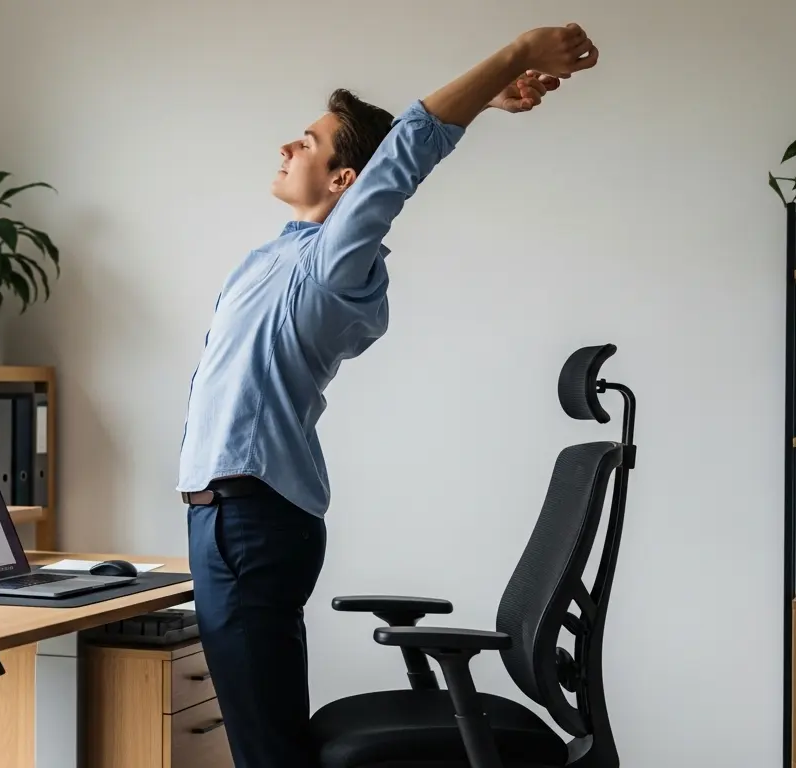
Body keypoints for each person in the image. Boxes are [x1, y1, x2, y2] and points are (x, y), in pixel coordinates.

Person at [176, 23, 600, 768]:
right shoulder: (277, 256)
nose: (287, 146)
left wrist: (514, 55)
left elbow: (406, 151)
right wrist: (486, 101)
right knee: (265, 743)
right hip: (231, 516)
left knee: (266, 755)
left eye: (309, 141)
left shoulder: (332, 263)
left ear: (345, 180)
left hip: (248, 517)